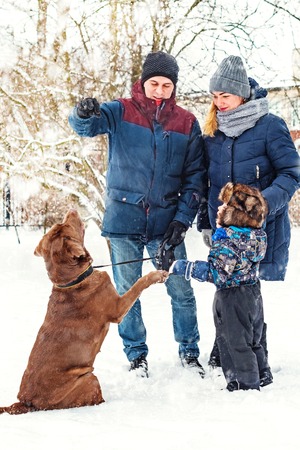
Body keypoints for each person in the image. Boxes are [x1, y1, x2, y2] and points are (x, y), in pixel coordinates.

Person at [68, 51, 207, 378]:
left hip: (166, 225)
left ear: (174, 88)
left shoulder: (187, 123)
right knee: (127, 294)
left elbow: (195, 178)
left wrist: (181, 222)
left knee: (181, 290)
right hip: (123, 223)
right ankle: (136, 356)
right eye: (154, 83)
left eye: (167, 85)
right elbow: (86, 126)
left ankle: (189, 351)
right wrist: (82, 113)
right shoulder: (120, 111)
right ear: (143, 82)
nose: (160, 90)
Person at [197, 55, 300, 376]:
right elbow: (208, 182)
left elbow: (291, 172)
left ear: (242, 94)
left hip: (261, 228)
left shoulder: (270, 126)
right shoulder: (213, 131)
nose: (219, 102)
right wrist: (204, 220)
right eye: (214, 96)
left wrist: (260, 203)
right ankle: (233, 350)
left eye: (225, 96)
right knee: (230, 286)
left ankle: (247, 356)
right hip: (224, 230)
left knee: (242, 289)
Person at [170, 182, 271, 391]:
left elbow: (217, 273)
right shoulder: (257, 235)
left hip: (232, 297)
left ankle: (244, 384)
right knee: (255, 336)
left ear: (235, 213)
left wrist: (185, 267)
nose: (220, 209)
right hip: (252, 292)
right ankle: (262, 373)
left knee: (235, 341)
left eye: (225, 207)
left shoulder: (228, 240)